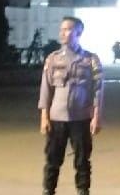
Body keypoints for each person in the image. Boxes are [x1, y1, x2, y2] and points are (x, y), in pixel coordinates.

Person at [38, 17, 103, 195]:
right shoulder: (52, 59)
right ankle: (48, 190)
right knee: (52, 159)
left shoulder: (90, 60)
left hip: (81, 118)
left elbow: (98, 90)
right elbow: (46, 89)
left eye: (67, 29)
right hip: (56, 118)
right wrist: (44, 117)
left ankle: (83, 190)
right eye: (62, 29)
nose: (63, 33)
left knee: (82, 160)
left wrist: (96, 117)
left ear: (78, 32)